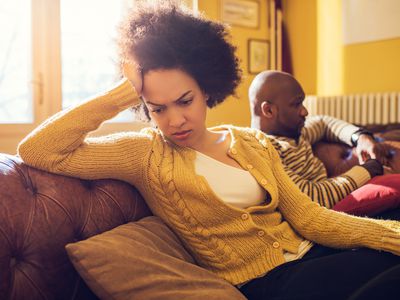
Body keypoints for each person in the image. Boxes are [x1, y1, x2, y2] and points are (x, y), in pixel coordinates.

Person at [17, 1, 400, 299]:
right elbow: (40, 149)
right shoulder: (145, 154)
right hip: (267, 283)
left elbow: (310, 218)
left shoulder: (251, 141)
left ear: (207, 90)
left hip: (312, 253)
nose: (175, 120)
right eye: (157, 108)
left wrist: (389, 235)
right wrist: (122, 91)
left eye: (185, 101)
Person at [248, 70, 393, 208]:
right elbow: (310, 197)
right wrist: (369, 169)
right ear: (269, 110)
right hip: (321, 214)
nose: (305, 111)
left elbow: (324, 122)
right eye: (296, 104)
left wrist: (361, 138)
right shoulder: (266, 150)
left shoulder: (295, 132)